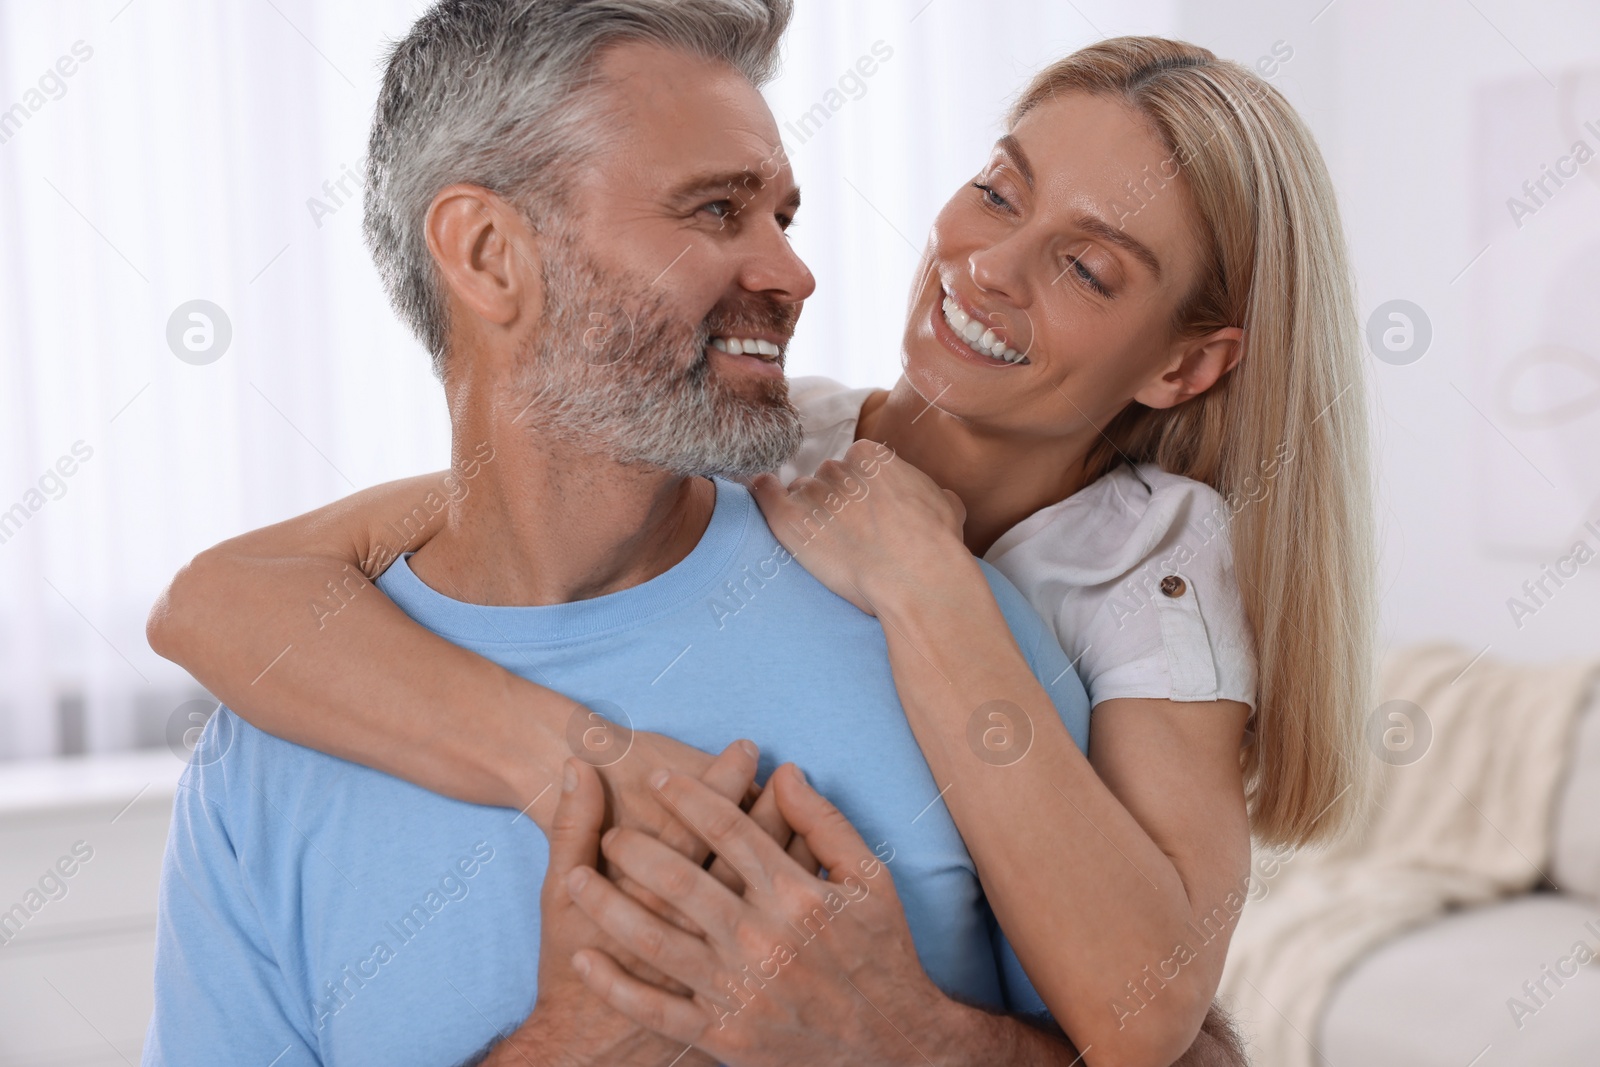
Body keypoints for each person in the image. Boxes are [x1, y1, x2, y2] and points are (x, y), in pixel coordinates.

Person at [150, 8, 1375, 1067]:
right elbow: (224, 593)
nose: (987, 262)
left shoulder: (1125, 584)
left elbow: (1153, 1021)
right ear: (484, 253)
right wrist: (593, 769)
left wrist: (903, 1038)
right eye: (999, 190)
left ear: (1185, 363)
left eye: (1089, 268)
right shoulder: (794, 439)